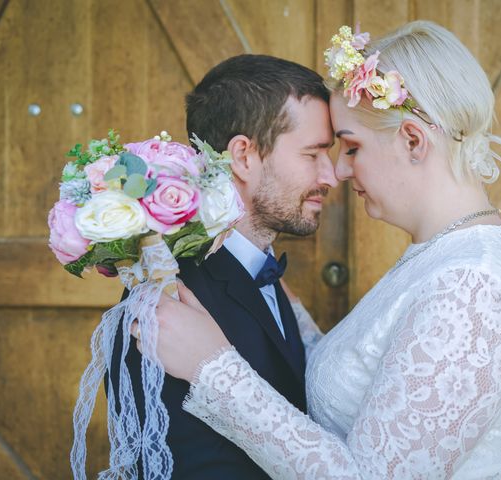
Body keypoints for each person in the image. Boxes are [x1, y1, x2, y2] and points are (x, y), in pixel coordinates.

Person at [137, 21, 501, 479]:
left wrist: (213, 370)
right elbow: (375, 386)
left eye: (351, 147)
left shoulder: (472, 291)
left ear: (413, 140)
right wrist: (294, 319)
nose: (340, 171)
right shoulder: (445, 261)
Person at [109, 54, 337, 479]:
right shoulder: (173, 299)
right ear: (243, 156)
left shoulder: (262, 273)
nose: (332, 175)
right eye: (313, 154)